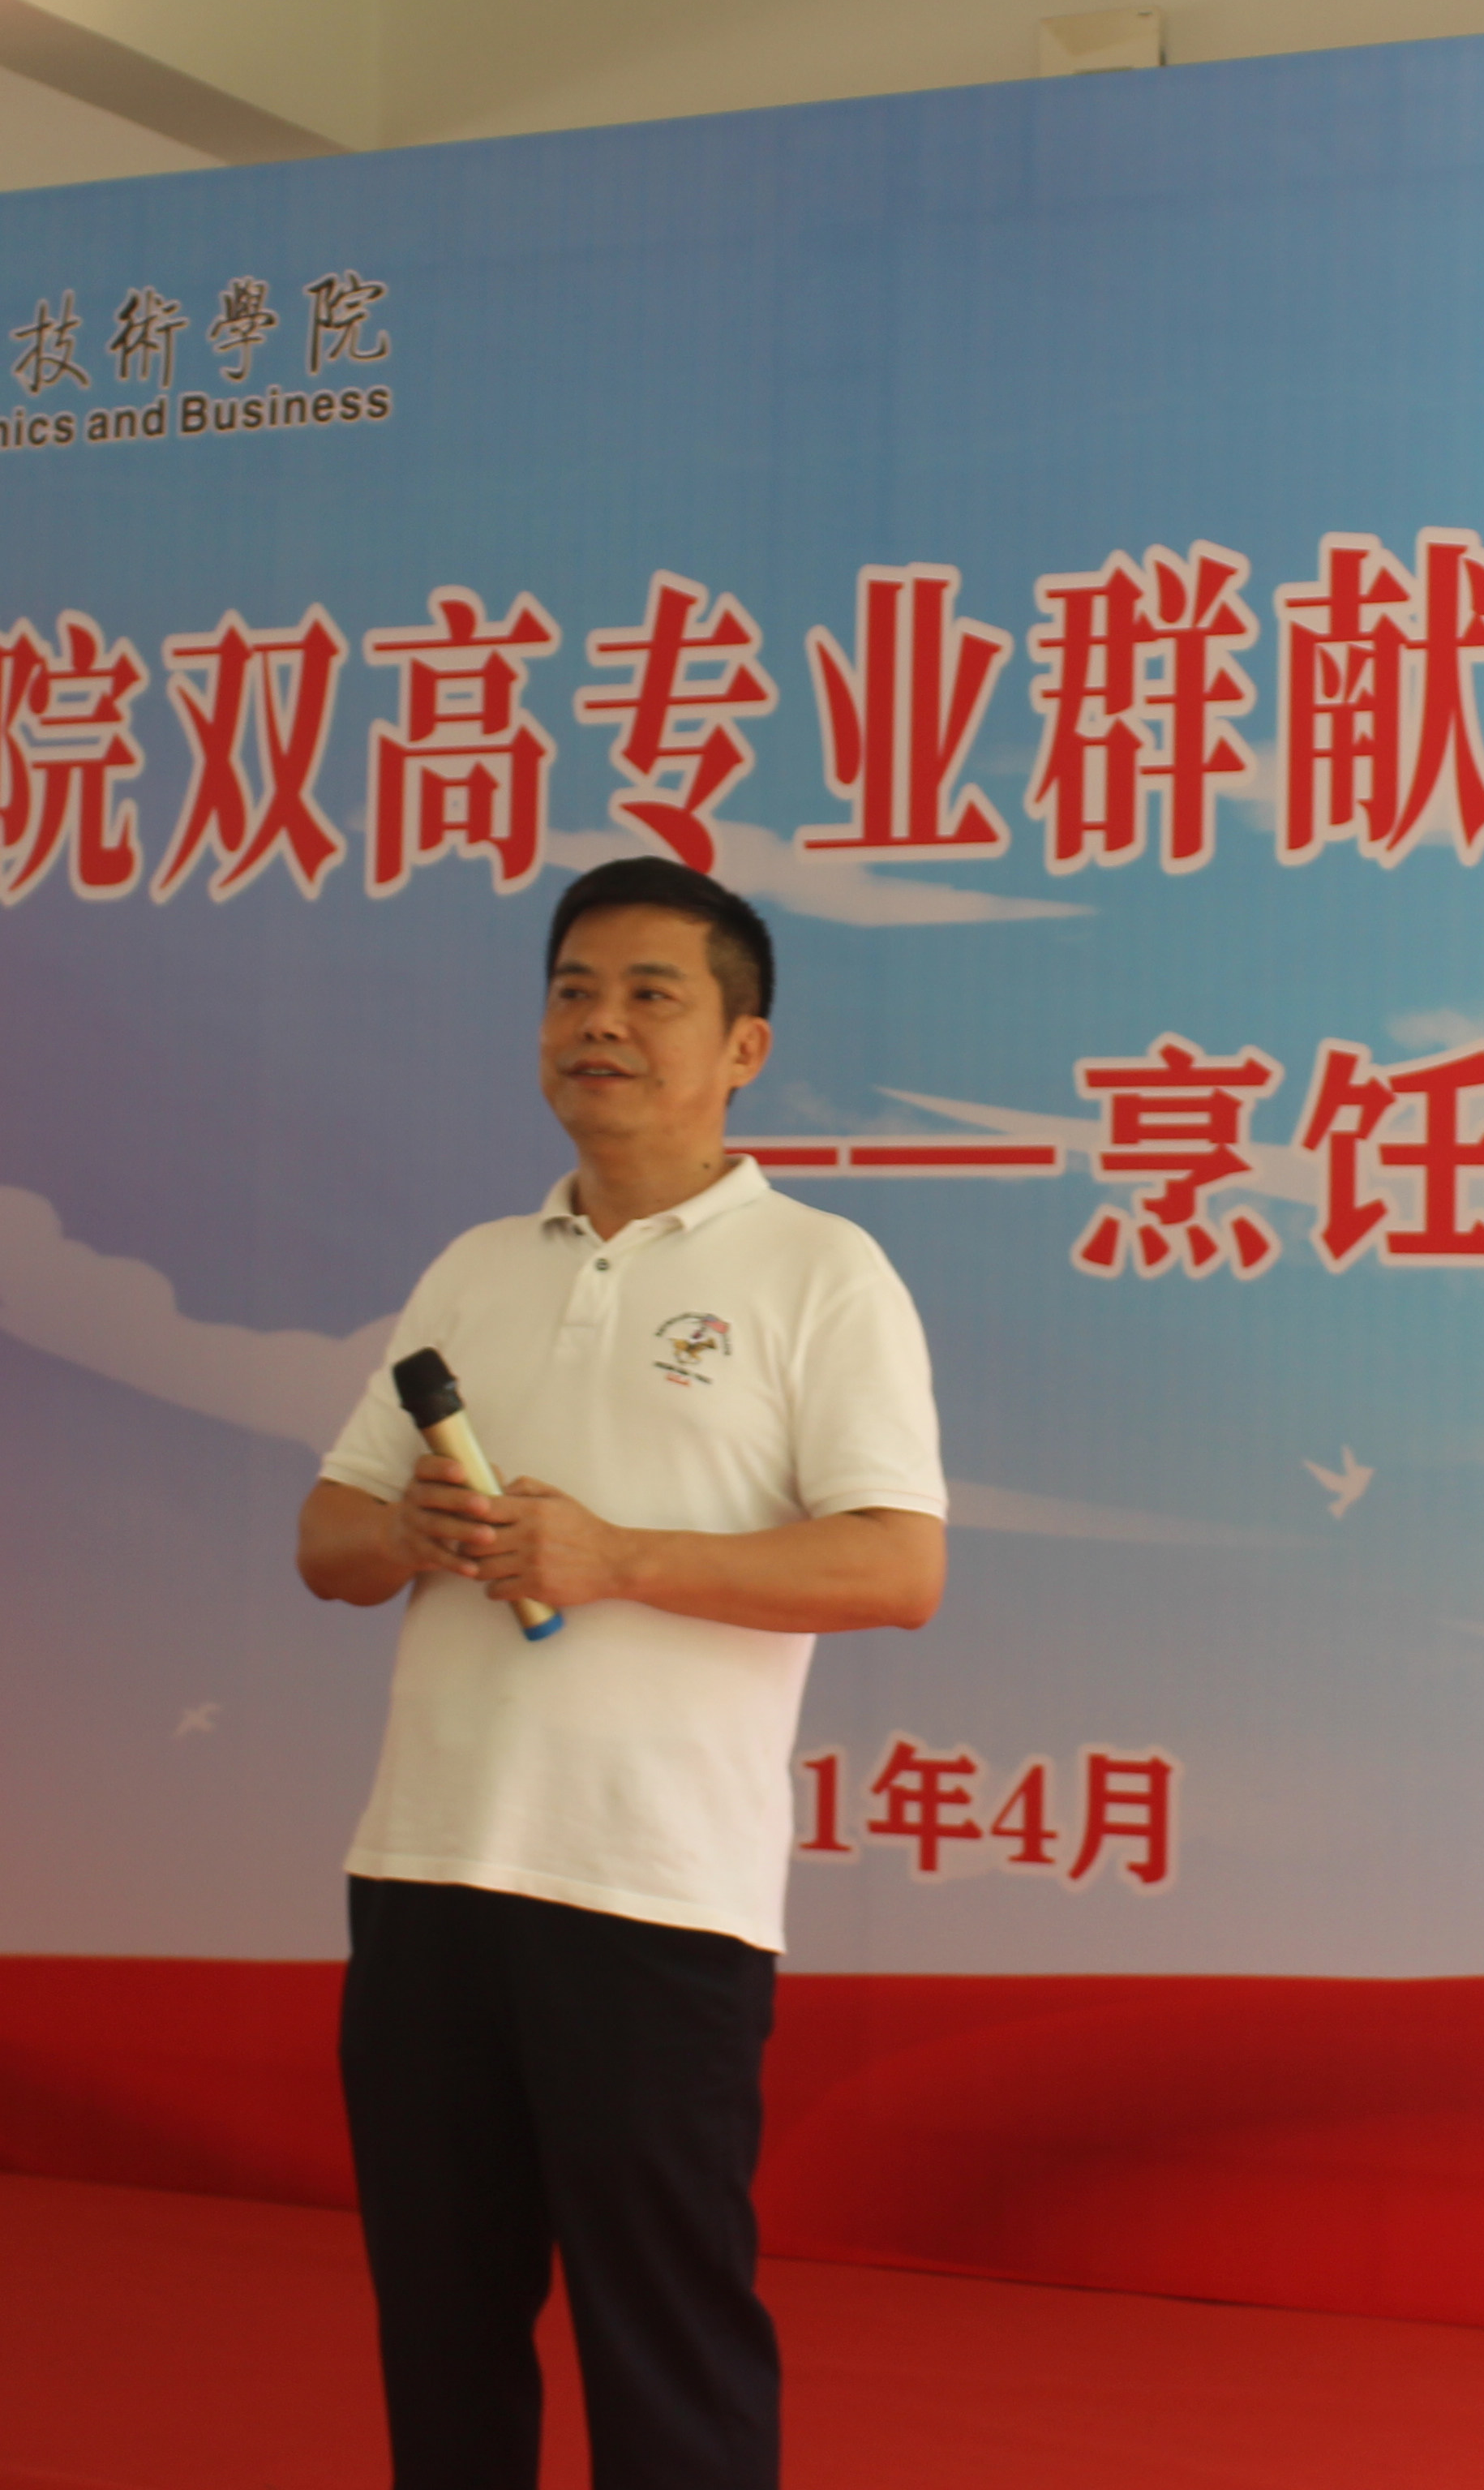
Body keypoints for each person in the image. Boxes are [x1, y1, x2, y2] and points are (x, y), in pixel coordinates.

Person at [297, 857, 948, 2490]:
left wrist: (617, 1558)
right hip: (429, 1871)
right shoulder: (474, 1266)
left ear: (744, 1048)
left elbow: (897, 1566)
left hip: (652, 1893)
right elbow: (327, 1538)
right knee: (442, 2330)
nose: (601, 1024)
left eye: (653, 995)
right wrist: (412, 1532)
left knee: (665, 2342)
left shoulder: (820, 1271)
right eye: (574, 990)